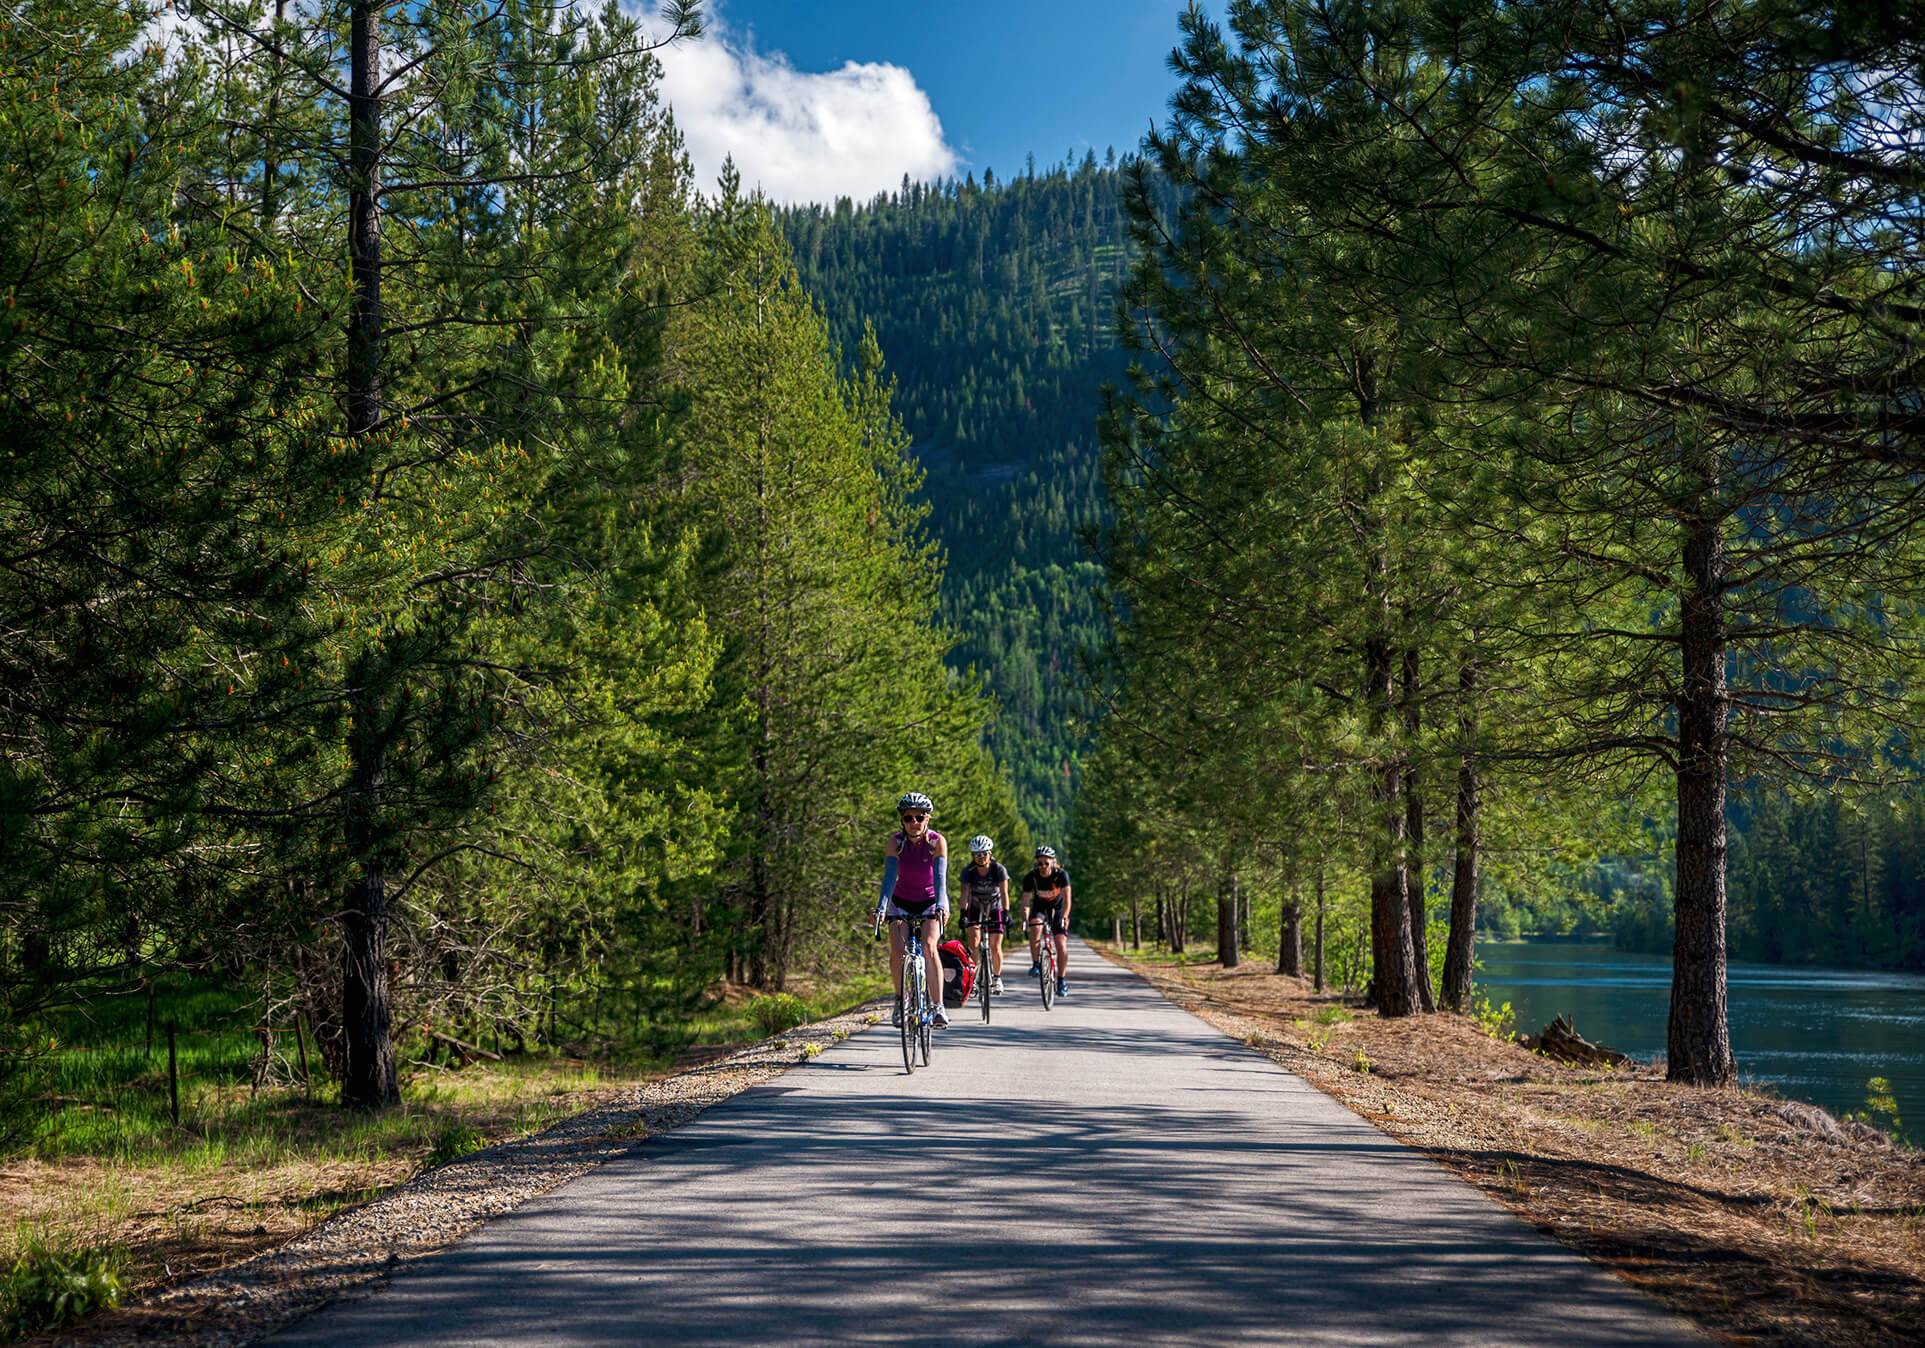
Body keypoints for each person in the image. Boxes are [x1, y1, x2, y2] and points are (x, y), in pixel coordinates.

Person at [876, 791, 950, 1028]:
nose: (914, 822)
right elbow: (889, 879)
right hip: (901, 902)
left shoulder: (937, 842)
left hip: (930, 901)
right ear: (902, 820)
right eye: (909, 818)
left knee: (929, 946)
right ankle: (900, 1001)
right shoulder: (895, 843)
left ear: (927, 819)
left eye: (920, 817)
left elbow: (940, 880)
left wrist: (941, 905)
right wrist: (881, 907)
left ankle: (938, 1006)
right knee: (898, 949)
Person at [958, 835, 1011, 995]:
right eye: (977, 854)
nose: (981, 857)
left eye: (984, 853)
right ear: (973, 856)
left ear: (990, 853)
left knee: (995, 945)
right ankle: (973, 978)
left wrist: (1007, 913)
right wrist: (963, 914)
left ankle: (996, 978)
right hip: (975, 906)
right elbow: (964, 894)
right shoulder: (969, 871)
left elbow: (1004, 892)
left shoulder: (998, 869)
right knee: (974, 941)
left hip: (995, 907)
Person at [1022, 845, 1072, 999]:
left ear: (1053, 862)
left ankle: (1061, 980)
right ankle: (1036, 963)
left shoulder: (1061, 875)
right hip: (1040, 907)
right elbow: (1025, 902)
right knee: (1035, 928)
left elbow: (1068, 901)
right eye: (1039, 863)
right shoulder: (1031, 877)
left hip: (1057, 909)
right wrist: (1025, 919)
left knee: (1061, 946)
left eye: (1046, 863)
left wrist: (1064, 917)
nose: (1043, 866)